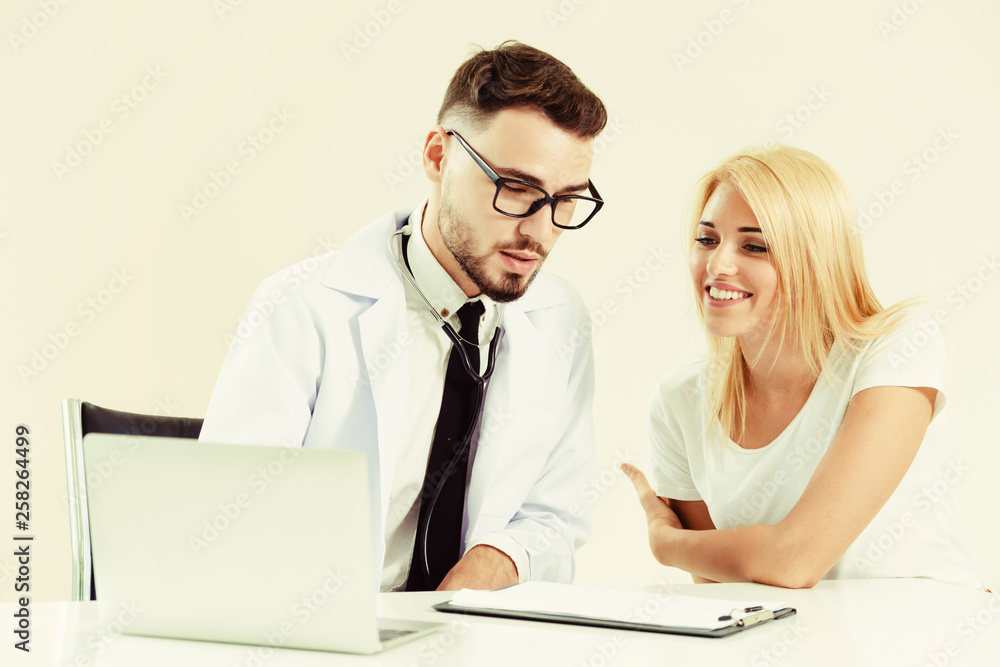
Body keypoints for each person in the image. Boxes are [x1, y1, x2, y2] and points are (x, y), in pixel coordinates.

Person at [199, 41, 607, 592]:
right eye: (516, 189)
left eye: (566, 201)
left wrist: (497, 561)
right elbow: (226, 522)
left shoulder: (560, 319)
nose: (539, 232)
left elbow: (556, 517)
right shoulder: (301, 307)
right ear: (439, 157)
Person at [623, 144, 982, 589]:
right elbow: (723, 594)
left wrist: (665, 544)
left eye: (754, 246)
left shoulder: (897, 345)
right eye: (706, 239)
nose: (717, 264)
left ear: (814, 260)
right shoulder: (678, 401)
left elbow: (794, 562)